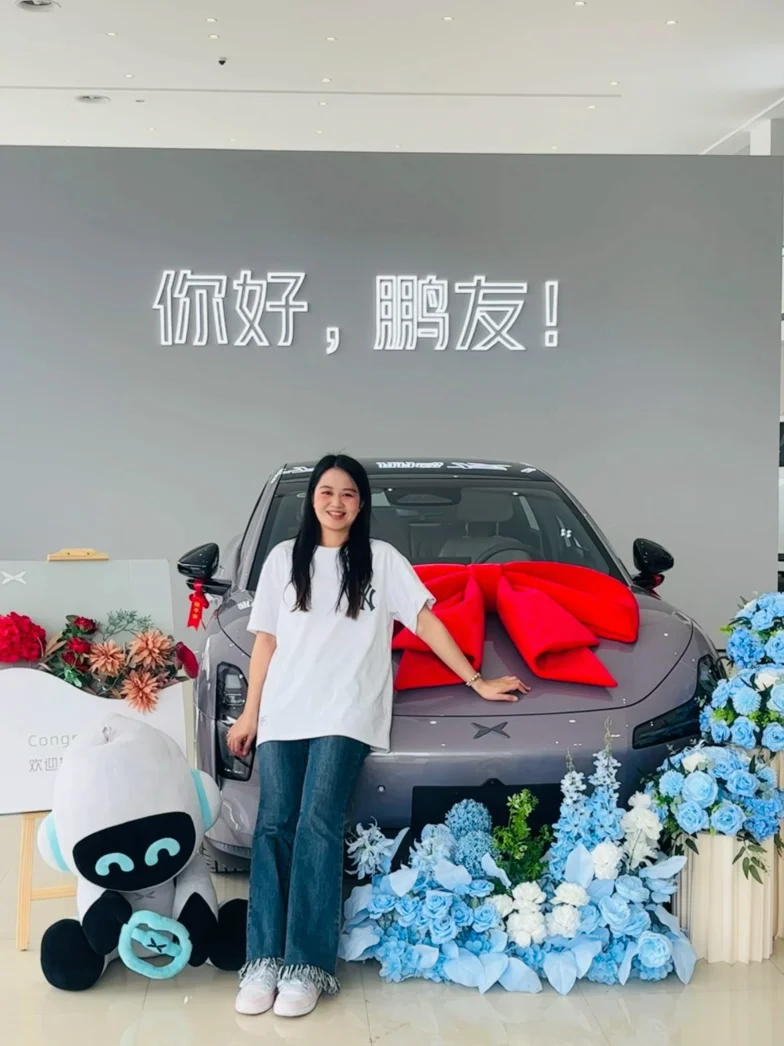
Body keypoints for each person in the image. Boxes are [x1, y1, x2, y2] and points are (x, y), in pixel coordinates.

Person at [226, 453, 529, 1018]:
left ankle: (306, 965)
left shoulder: (382, 560)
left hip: (346, 712)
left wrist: (476, 680)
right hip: (284, 712)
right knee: (273, 826)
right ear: (312, 499)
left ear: (361, 504)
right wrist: (250, 714)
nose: (336, 502)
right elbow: (265, 641)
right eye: (326, 492)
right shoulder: (283, 559)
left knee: (317, 823)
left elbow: (426, 621)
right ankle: (263, 960)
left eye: (347, 494)